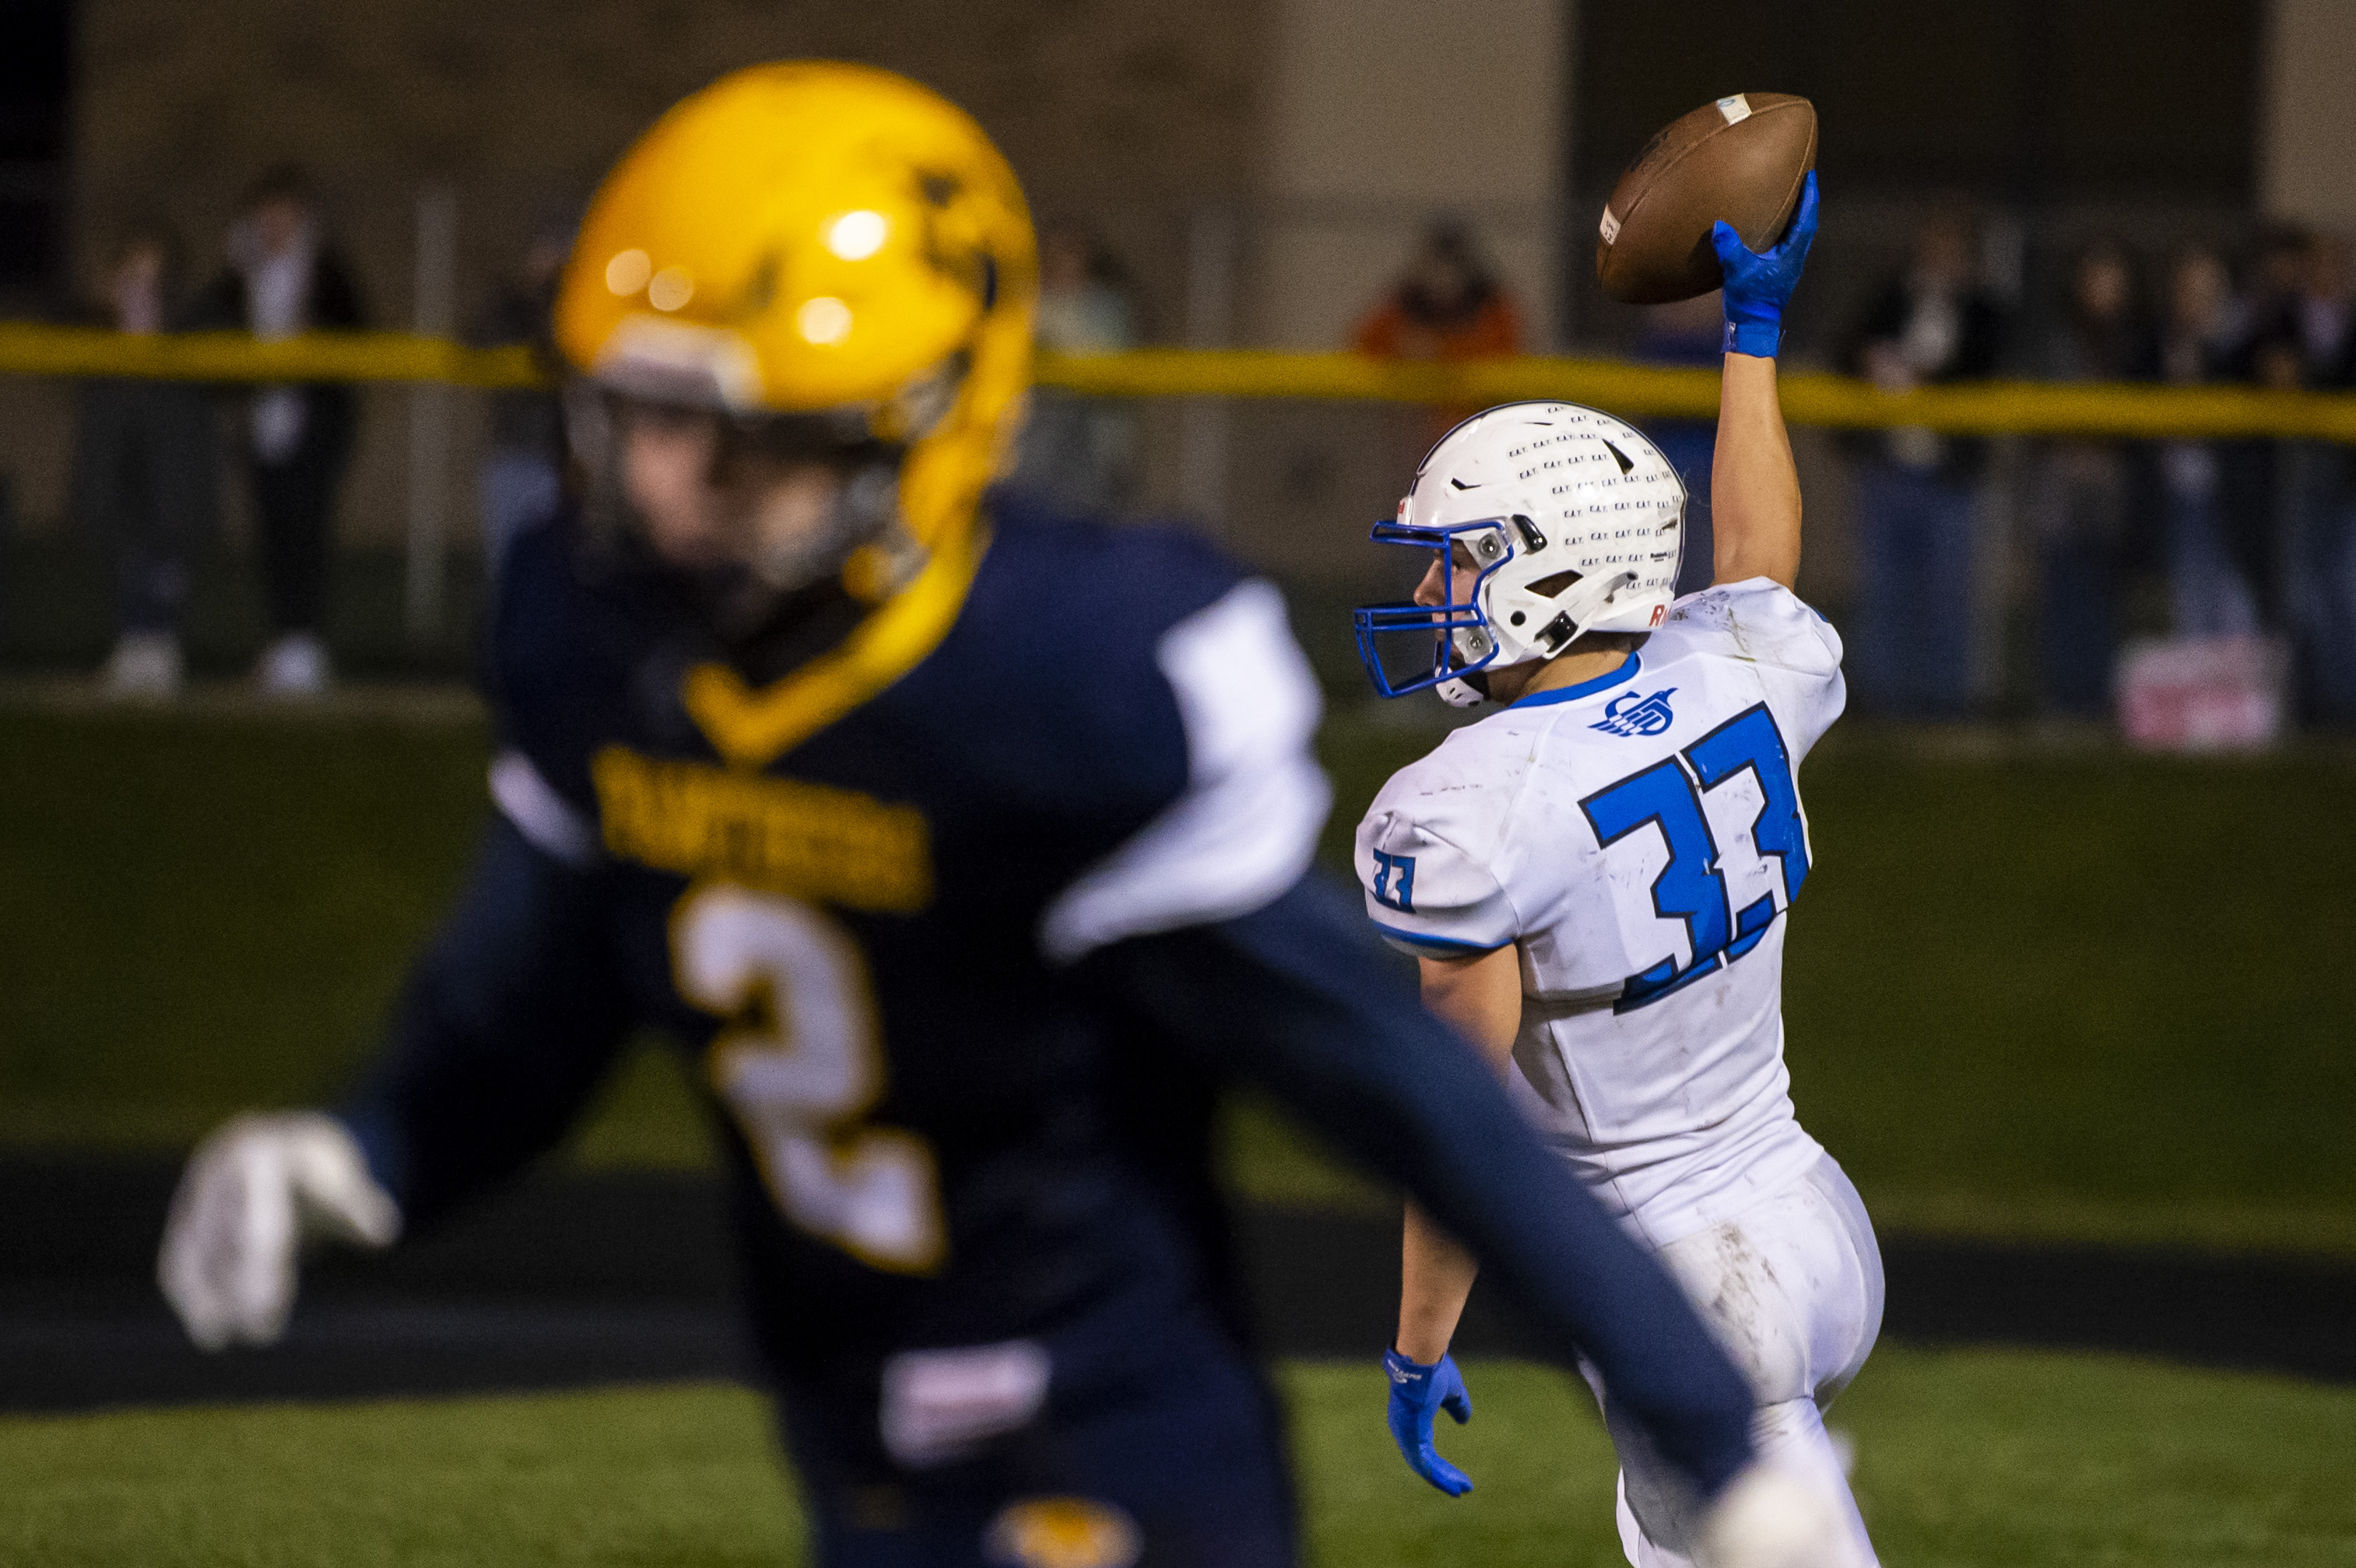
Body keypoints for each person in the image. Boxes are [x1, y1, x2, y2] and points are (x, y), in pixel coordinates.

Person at [154, 65, 1852, 1568]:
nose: (657, 496)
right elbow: (544, 968)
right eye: (632, 420)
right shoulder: (587, 623)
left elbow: (1394, 1074)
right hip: (838, 1391)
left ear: (921, 431)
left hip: (1093, 1402)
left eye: (733, 446)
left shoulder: (1082, 676)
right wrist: (372, 1145)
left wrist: (1684, 1408)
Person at [1354, 176, 1881, 1567]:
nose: (1429, 597)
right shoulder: (1733, 676)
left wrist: (1418, 1345)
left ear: (1546, 575)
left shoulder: (1469, 805)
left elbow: (1459, 1116)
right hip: (1811, 1215)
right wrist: (1751, 338)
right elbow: (1758, 566)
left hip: (1674, 1275)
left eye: (1459, 562)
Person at [195, 166, 365, 696]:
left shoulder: (327, 269)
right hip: (260, 425)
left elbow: (355, 328)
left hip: (315, 424)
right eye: (264, 214)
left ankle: (306, 647)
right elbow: (205, 322)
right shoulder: (242, 274)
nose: (274, 223)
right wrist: (235, 271)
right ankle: (282, 643)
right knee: (270, 533)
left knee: (306, 529)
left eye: (284, 212)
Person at [1843, 211, 2003, 719]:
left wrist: (1922, 375)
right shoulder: (1889, 298)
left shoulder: (1981, 309)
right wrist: (1871, 360)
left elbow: (1986, 366)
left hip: (1948, 474)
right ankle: (1882, 699)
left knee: (1946, 593)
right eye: (1932, 246)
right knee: (1883, 590)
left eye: (1951, 248)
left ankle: (1943, 701)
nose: (1941, 258)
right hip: (1888, 468)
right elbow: (1844, 350)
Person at [70, 223, 219, 698]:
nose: (140, 279)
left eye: (150, 269)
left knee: (163, 556)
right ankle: (132, 647)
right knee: (125, 550)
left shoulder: (187, 319)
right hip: (118, 455)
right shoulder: (100, 319)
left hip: (171, 458)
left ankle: (161, 650)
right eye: (131, 268)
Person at [2030, 241, 2155, 717]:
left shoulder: (2137, 342)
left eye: (2114, 279)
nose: (2105, 290)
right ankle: (2060, 700)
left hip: (2111, 496)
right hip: (2062, 494)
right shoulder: (2058, 339)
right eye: (2096, 277)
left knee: (2106, 603)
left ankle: (2101, 700)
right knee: (2063, 597)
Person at [2158, 247, 2259, 639]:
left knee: (2234, 595)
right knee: (2188, 594)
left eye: (2207, 288)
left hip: (2232, 492)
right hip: (2178, 488)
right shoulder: (2161, 341)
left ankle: (2237, 692)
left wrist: (2210, 343)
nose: (2197, 298)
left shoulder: (2241, 343)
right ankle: (2197, 691)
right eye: (2188, 288)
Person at [1006, 227, 1138, 516]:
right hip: (1037, 438)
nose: (1064, 264)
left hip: (1093, 438)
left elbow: (1108, 362)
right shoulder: (1032, 304)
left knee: (1086, 515)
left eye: (1072, 255)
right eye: (1057, 255)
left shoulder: (1105, 309)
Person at [1355, 220, 1523, 446]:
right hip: (1408, 433)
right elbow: (1363, 350)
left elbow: (1506, 360)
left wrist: (1443, 348)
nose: (1444, 275)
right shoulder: (1406, 304)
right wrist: (1404, 349)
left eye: (1453, 264)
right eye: (1437, 263)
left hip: (1478, 434)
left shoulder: (1490, 304)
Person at [470, 219, 573, 574]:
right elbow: (476, 340)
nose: (553, 257)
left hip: (558, 460)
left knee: (553, 568)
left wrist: (553, 291)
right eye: (547, 248)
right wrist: (532, 291)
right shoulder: (512, 303)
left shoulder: (571, 305)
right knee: (504, 566)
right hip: (511, 452)